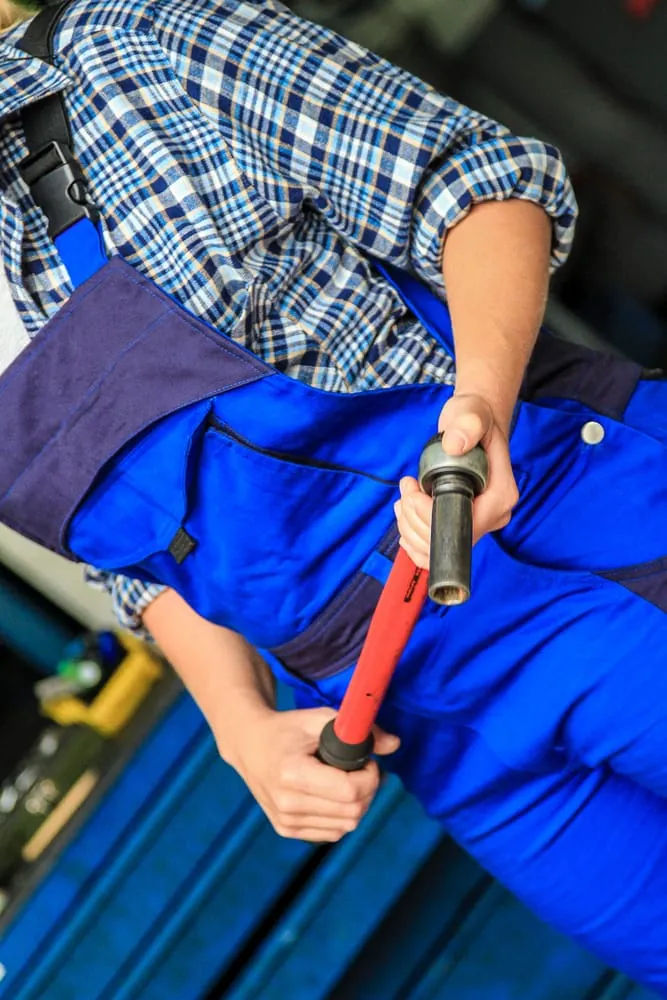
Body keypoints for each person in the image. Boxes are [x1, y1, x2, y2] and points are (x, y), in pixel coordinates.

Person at [2, 0, 667, 991]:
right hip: (435, 730)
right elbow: (138, 557)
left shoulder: (127, 42)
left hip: (556, 543)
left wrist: (479, 406)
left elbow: (481, 191)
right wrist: (239, 727)